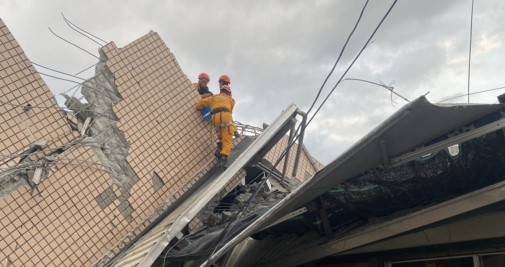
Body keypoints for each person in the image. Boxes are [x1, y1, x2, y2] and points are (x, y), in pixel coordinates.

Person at [196, 84, 235, 169]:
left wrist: (198, 107)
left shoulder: (214, 97)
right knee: (227, 139)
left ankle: (219, 150)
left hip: (215, 117)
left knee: (220, 136)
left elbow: (201, 103)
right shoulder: (231, 100)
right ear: (229, 92)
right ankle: (223, 160)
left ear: (221, 91)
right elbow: (230, 110)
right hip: (225, 116)